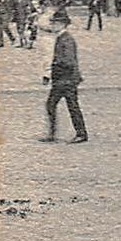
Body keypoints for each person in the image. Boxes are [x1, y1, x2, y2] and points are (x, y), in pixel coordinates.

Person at [41, 9, 88, 143]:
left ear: (63, 24)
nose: (53, 25)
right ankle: (78, 133)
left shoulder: (66, 39)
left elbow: (68, 61)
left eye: (55, 23)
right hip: (65, 79)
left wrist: (55, 65)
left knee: (62, 105)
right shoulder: (62, 38)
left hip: (66, 79)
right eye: (53, 23)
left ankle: (79, 134)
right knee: (63, 105)